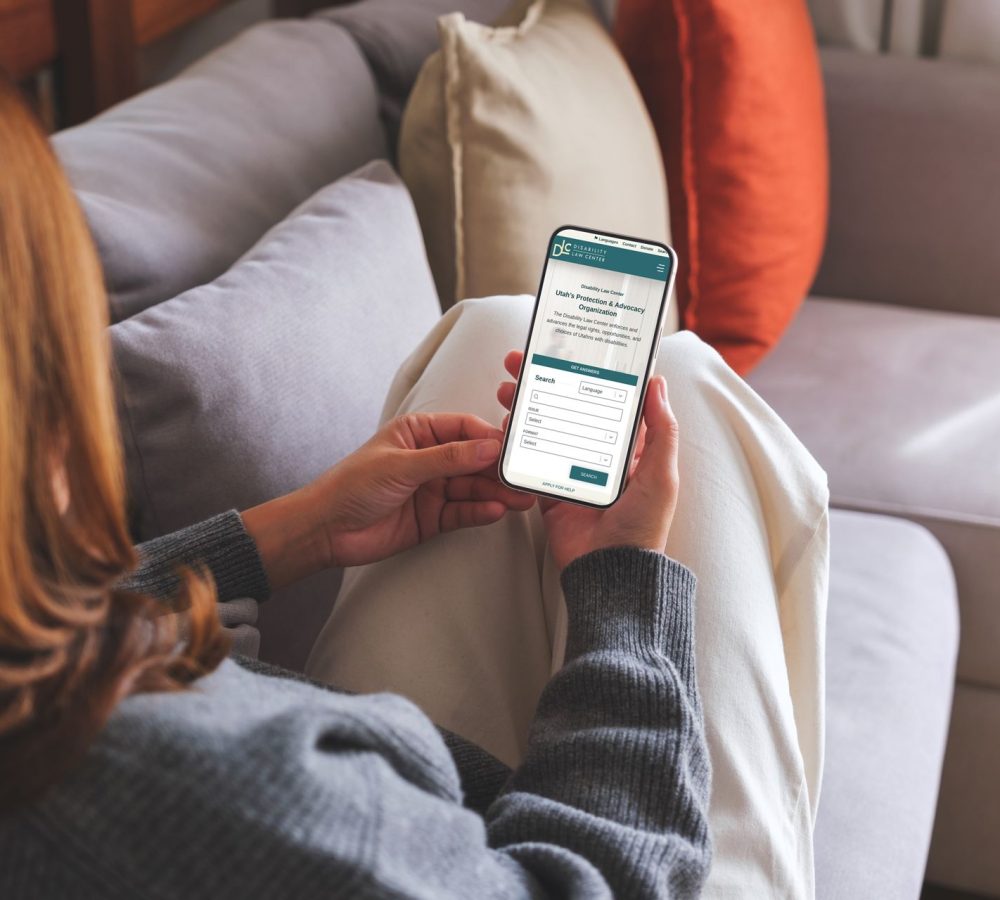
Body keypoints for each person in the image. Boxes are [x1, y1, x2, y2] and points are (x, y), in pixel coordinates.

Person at [0, 80, 713, 897]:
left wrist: (300, 530)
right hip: (574, 846)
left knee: (491, 332)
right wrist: (625, 580)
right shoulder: (205, 789)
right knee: (691, 391)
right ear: (45, 394)